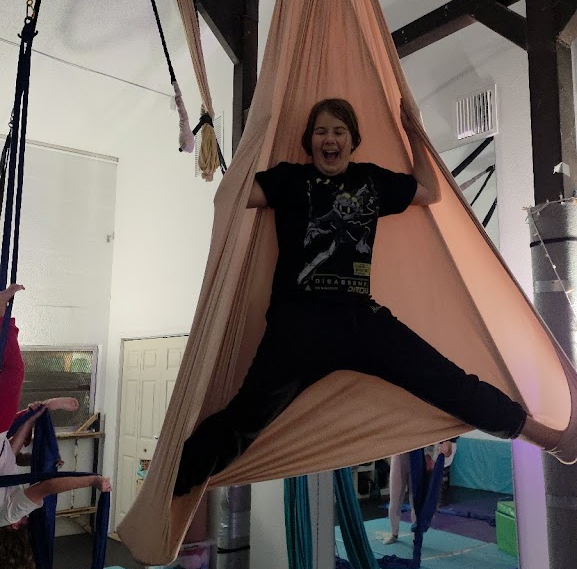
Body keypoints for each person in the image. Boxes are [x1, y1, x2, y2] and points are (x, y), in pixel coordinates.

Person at [174, 97, 575, 494]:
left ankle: (551, 440)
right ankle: (171, 483)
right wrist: (255, 135)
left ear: (352, 141)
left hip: (360, 321)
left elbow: (429, 190)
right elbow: (231, 196)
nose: (329, 139)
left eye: (339, 132)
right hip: (298, 326)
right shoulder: (290, 180)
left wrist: (414, 129)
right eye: (320, 132)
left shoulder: (370, 181)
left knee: (448, 382)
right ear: (309, 141)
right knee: (245, 420)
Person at [0, 284, 111, 530]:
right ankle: (41, 408)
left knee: (13, 372)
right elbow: (9, 450)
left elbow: (47, 487)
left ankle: (1, 311)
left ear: (15, 526)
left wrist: (92, 480)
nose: (27, 515)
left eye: (25, 519)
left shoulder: (9, 513)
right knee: (11, 385)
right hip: (2, 434)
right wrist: (40, 455)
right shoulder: (7, 493)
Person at [386, 439, 457, 544]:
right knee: (395, 498)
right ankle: (394, 533)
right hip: (401, 452)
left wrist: (447, 449)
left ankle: (417, 535)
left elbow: (449, 448)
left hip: (419, 456)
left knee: (416, 500)